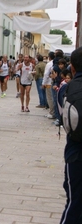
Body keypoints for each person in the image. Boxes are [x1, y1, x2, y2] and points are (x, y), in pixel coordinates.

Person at [59, 47, 82, 224]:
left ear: (72, 68)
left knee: (74, 202)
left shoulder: (66, 90)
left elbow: (65, 122)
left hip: (76, 153)